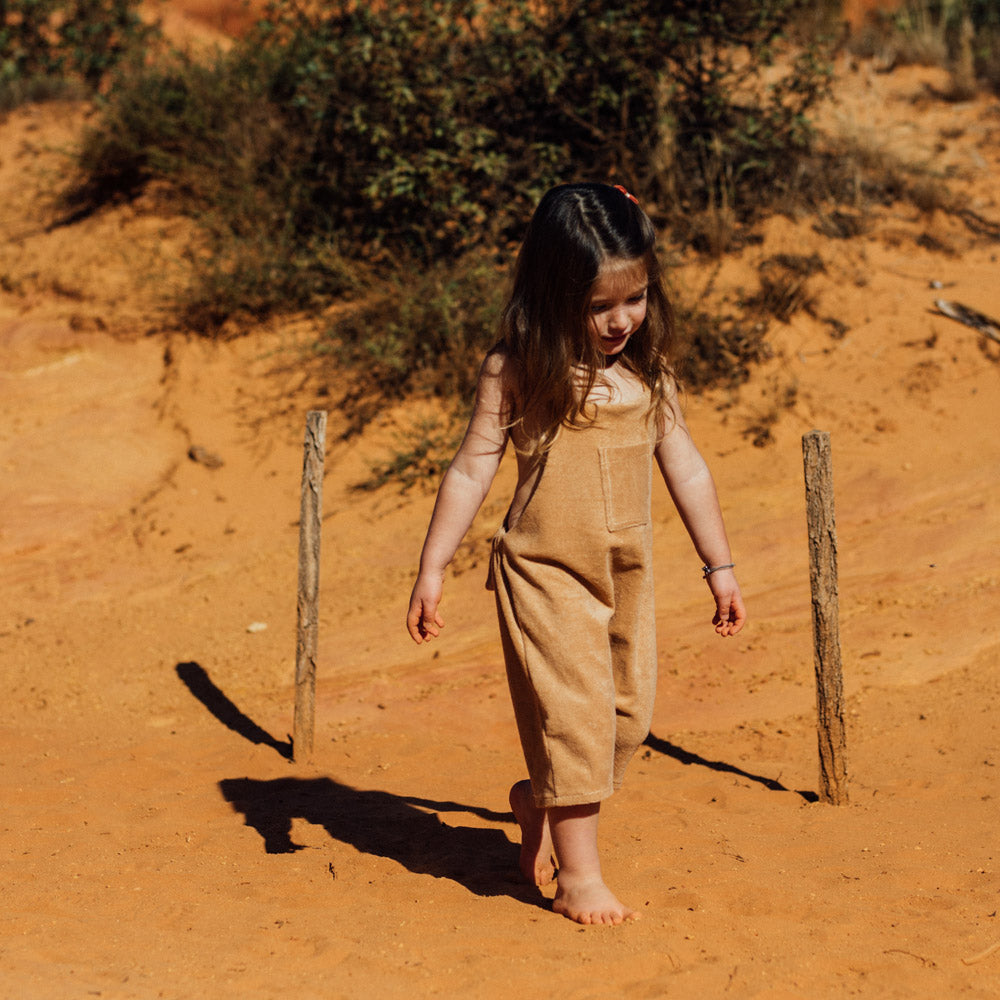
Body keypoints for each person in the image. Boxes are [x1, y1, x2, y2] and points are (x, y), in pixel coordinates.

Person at [406, 182, 746, 926]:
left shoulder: (649, 375)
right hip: (543, 572)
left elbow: (685, 465)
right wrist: (432, 567)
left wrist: (718, 566)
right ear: (557, 293)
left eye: (635, 299)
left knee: (627, 718)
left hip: (628, 574)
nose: (621, 320)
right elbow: (471, 467)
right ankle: (580, 875)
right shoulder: (518, 369)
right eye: (600, 307)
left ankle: (539, 797)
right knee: (579, 720)